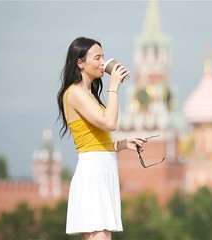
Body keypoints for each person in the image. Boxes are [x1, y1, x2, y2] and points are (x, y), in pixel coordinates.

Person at [56, 36, 147, 240]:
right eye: (97, 58)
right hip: (93, 173)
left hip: (104, 171)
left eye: (103, 57)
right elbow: (109, 123)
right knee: (100, 236)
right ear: (80, 63)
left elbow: (95, 141)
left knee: (103, 235)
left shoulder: (89, 95)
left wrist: (124, 144)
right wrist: (113, 86)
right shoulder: (75, 93)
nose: (102, 63)